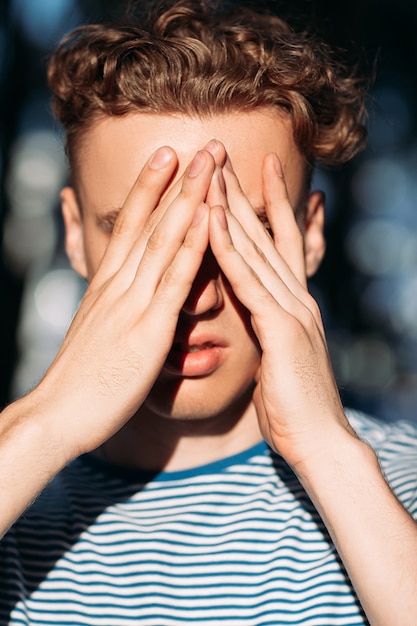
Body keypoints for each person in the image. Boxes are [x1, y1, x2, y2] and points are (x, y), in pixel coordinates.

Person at [1, 0, 417, 624]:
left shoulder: (397, 487)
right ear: (72, 232)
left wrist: (330, 457)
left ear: (307, 236)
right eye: (146, 237)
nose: (197, 295)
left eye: (240, 238)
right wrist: (43, 427)